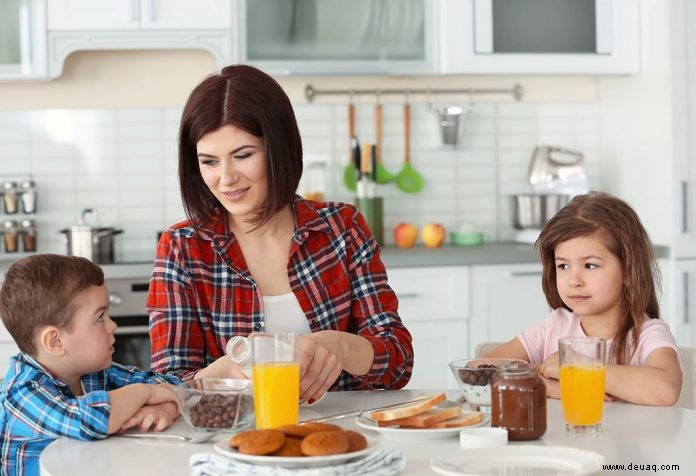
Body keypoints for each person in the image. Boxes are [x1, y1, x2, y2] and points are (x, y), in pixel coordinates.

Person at [147, 64, 413, 402]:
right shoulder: (181, 248)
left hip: (341, 438)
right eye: (209, 161)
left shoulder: (342, 228)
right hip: (232, 444)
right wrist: (228, 370)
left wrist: (340, 346)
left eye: (242, 155)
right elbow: (169, 385)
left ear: (279, 148)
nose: (226, 178)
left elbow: (399, 360)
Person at [484, 192, 682, 405]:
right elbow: (483, 369)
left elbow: (665, 390)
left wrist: (578, 369)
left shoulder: (648, 335)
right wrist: (553, 387)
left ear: (628, 270)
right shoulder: (555, 326)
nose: (573, 280)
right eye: (563, 266)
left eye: (590, 265)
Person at [0, 254, 181, 475]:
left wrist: (166, 408)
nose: (113, 325)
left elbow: (178, 387)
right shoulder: (21, 392)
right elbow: (87, 420)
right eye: (100, 317)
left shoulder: (94, 373)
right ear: (55, 342)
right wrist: (144, 393)